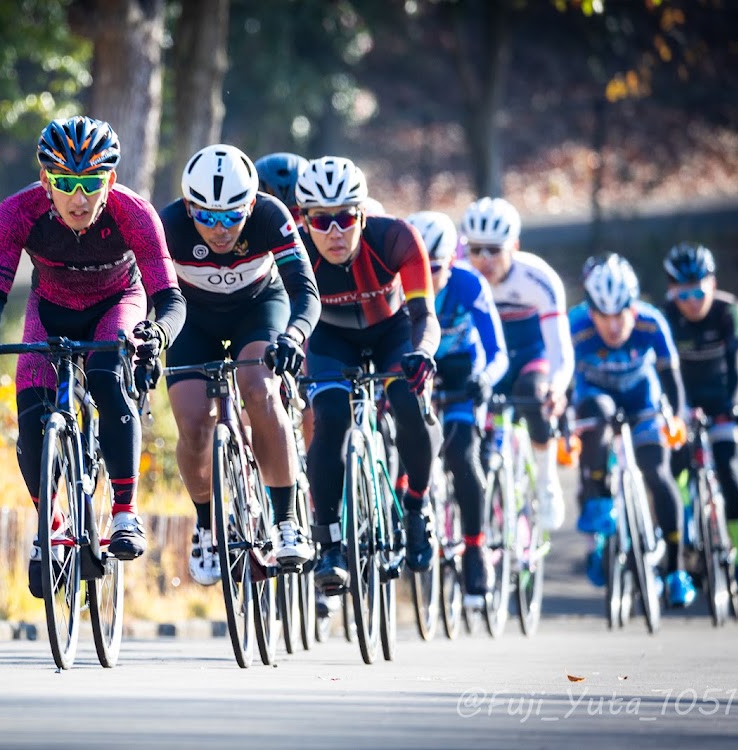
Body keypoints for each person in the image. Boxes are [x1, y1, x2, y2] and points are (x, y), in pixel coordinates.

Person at [0, 116, 186, 598]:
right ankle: (54, 524)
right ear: (46, 180)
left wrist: (157, 335)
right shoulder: (16, 212)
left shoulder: (135, 213)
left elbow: (169, 297)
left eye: (89, 183)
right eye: (65, 183)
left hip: (118, 304)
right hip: (52, 310)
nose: (78, 199)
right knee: (31, 422)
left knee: (108, 375)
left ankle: (124, 513)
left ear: (110, 179)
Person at [161, 144, 321, 585]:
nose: (219, 229)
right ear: (189, 207)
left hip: (259, 309)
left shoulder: (271, 217)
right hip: (192, 320)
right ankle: (207, 525)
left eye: (233, 216)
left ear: (251, 204)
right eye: (207, 216)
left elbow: (305, 293)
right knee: (194, 423)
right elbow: (146, 293)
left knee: (260, 388)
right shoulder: (169, 224)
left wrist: (294, 335)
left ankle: (286, 520)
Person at [294, 156, 441, 594]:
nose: (335, 232)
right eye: (321, 221)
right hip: (328, 339)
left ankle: (416, 507)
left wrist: (423, 353)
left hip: (393, 333)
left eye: (344, 218)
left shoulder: (395, 237)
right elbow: (288, 316)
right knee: (332, 417)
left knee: (407, 403)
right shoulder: (295, 251)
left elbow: (424, 314)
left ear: (362, 213)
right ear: (304, 220)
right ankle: (331, 545)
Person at [570, 254, 695, 607]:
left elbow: (672, 377)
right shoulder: (575, 325)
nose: (612, 326)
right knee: (595, 420)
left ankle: (674, 570)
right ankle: (599, 507)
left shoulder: (652, 323)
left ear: (634, 308)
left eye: (620, 314)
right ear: (589, 310)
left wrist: (677, 418)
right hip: (596, 398)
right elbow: (563, 379)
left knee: (657, 472)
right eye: (602, 316)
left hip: (643, 400)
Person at [407, 210, 508, 604]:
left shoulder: (469, 284)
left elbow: (497, 351)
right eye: (416, 266)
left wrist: (486, 379)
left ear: (452, 261)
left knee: (463, 456)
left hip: (464, 369)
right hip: (422, 367)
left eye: (434, 267)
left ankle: (476, 547)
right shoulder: (400, 285)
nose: (425, 276)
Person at [462, 197, 572, 532]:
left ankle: (544, 477)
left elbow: (559, 347)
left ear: (515, 246)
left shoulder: (538, 278)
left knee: (533, 393)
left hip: (529, 356)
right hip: (487, 361)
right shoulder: (460, 274)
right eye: (476, 249)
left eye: (494, 250)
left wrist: (557, 386)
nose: (484, 259)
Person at [662, 242, 738, 595]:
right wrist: (676, 411)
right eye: (683, 292)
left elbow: (737, 366)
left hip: (726, 393)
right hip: (685, 398)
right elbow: (662, 373)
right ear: (672, 290)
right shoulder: (666, 316)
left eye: (699, 290)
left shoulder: (728, 311)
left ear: (712, 284)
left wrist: (736, 409)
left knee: (728, 465)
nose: (691, 301)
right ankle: (687, 537)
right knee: (677, 466)